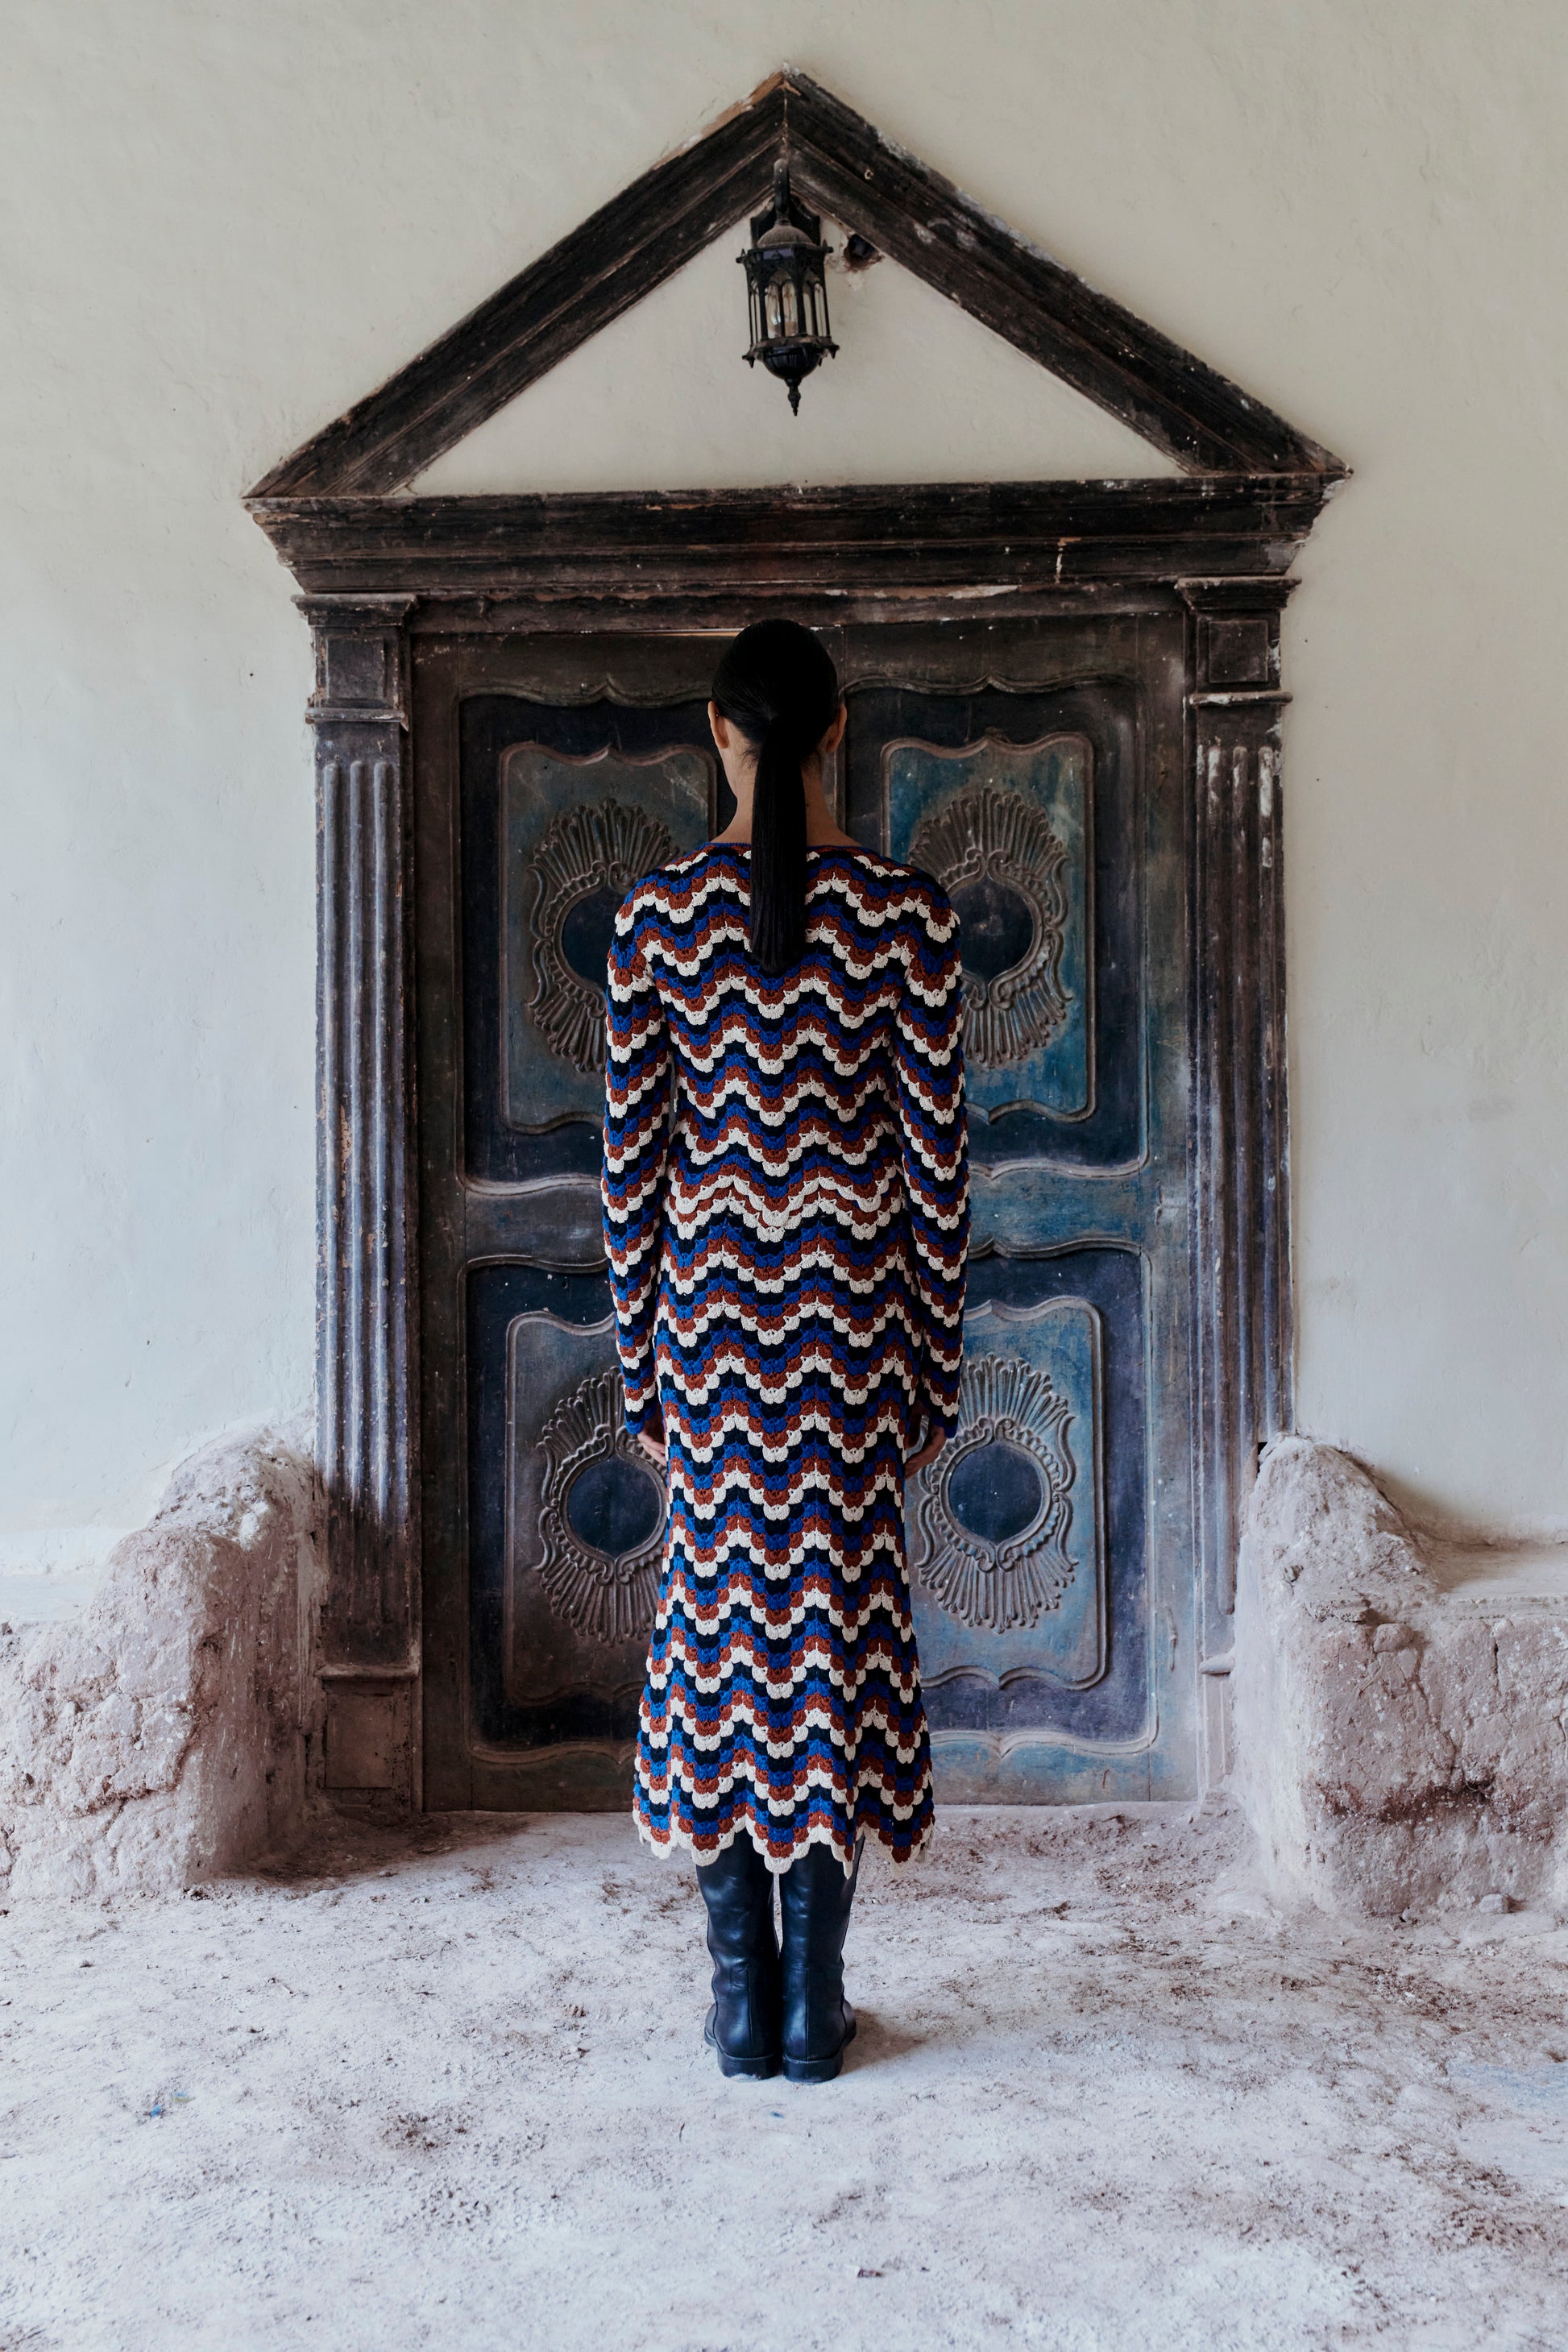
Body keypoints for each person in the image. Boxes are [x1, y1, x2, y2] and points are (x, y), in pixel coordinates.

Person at [600, 619, 969, 2084]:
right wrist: (931, 1370)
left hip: (708, 1326)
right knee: (832, 1639)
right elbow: (937, 1174)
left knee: (713, 1641)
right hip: (850, 1325)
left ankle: (739, 2006)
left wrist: (645, 1368)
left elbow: (631, 1179)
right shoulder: (907, 917)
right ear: (836, 732)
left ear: (717, 731)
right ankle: (814, 2008)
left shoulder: (654, 921)